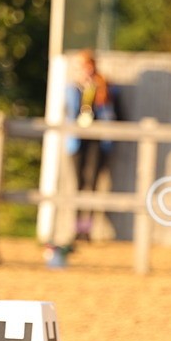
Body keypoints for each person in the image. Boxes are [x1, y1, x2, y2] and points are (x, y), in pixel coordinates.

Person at [65, 50, 118, 241]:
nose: (85, 69)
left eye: (88, 65)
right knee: (78, 184)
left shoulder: (105, 87)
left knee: (93, 184)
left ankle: (87, 230)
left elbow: (116, 115)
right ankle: (77, 228)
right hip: (77, 140)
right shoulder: (73, 88)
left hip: (97, 140)